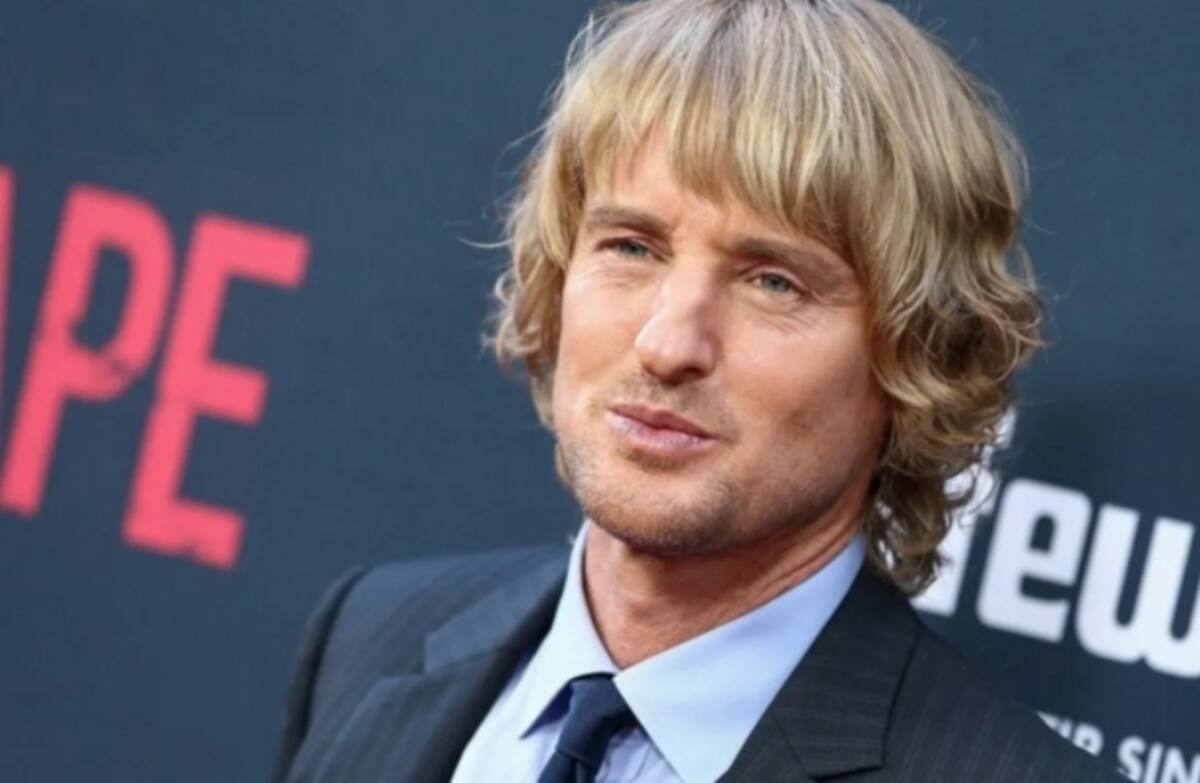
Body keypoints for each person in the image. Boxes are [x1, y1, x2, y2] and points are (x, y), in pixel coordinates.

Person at [272, 1, 1125, 781]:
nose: (666, 344)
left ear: (916, 355)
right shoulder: (371, 636)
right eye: (631, 247)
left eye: (774, 282)